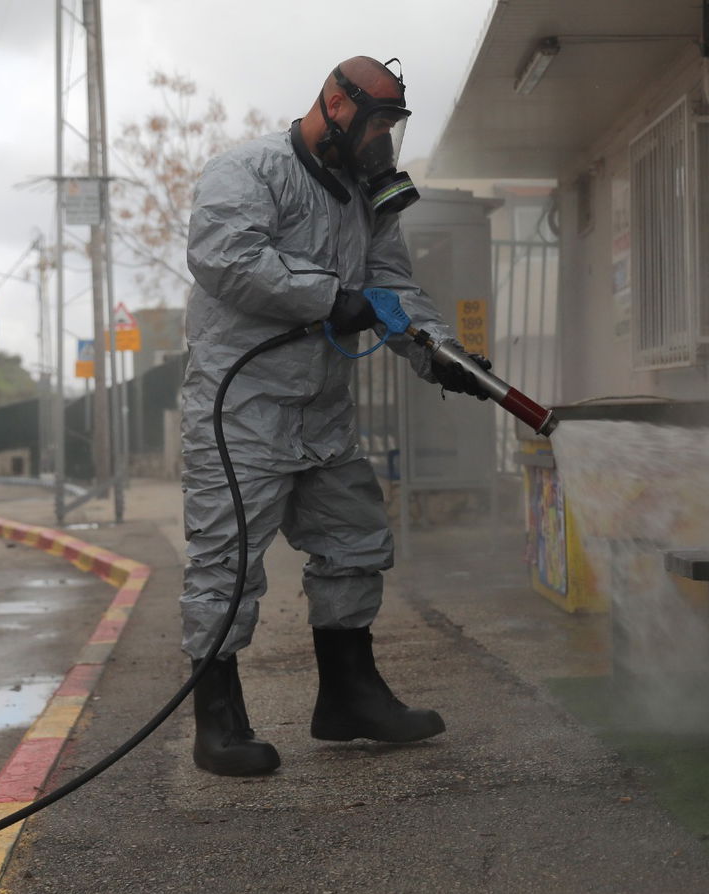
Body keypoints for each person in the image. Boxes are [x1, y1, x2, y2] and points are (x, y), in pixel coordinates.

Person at [180, 56, 493, 776]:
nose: (385, 137)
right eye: (378, 120)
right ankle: (218, 721)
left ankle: (350, 696)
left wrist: (440, 353)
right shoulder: (248, 170)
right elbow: (225, 256)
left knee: (354, 540)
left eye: (394, 124)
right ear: (335, 103)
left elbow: (391, 285)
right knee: (226, 563)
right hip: (243, 408)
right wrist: (330, 298)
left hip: (321, 410)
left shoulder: (364, 198)